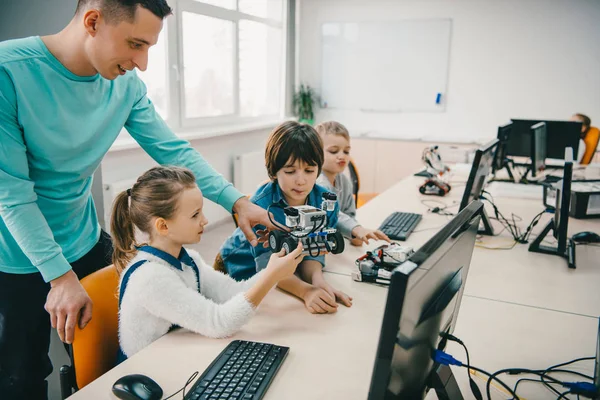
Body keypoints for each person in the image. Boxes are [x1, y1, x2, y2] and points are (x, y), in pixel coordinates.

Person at [0, 1, 273, 398]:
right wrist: (59, 277)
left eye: (149, 47)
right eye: (135, 44)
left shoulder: (124, 85)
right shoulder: (9, 71)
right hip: (17, 256)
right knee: (21, 376)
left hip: (83, 239)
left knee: (124, 345)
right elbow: (13, 197)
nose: (142, 63)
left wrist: (236, 201)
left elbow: (173, 151)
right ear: (92, 21)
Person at [110, 166, 304, 361]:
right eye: (195, 215)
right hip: (144, 371)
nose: (205, 220)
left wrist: (276, 268)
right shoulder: (151, 278)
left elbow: (234, 292)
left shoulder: (188, 260)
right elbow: (219, 323)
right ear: (163, 226)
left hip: (173, 354)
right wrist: (271, 275)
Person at [217, 121, 353, 314]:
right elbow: (269, 271)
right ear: (274, 171)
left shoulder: (324, 201)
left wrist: (317, 281)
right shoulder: (262, 207)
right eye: (290, 171)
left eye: (309, 170)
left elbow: (313, 250)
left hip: (286, 267)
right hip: (240, 267)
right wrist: (306, 291)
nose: (301, 180)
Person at [315, 121, 390, 246]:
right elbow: (332, 214)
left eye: (346, 151)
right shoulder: (319, 183)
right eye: (334, 151)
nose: (342, 156)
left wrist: (354, 235)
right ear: (316, 153)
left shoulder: (344, 181)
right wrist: (356, 229)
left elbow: (349, 213)